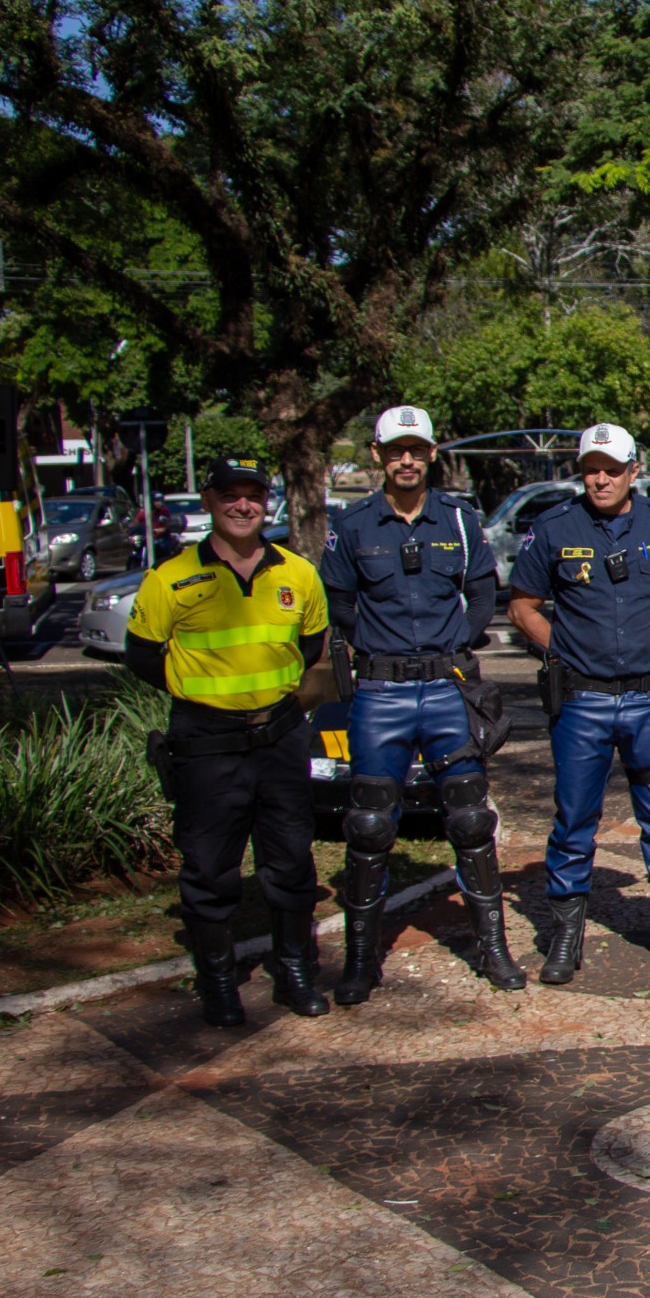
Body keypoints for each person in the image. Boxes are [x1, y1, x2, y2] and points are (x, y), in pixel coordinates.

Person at [320, 405, 518, 1004]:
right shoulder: (354, 524)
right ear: (378, 456)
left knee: (470, 818)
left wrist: (457, 644)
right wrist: (376, 647)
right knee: (369, 825)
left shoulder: (458, 519)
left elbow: (481, 591)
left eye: (417, 450)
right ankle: (361, 961)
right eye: (395, 451)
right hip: (381, 692)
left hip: (446, 690)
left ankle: (493, 948)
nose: (406, 460)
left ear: (432, 454)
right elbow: (339, 600)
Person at [125, 456, 332, 1026]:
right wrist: (203, 692)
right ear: (209, 502)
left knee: (291, 859)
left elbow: (311, 646)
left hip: (280, 737)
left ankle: (295, 972)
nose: (243, 506)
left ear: (266, 502)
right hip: (207, 743)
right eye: (229, 495)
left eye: (253, 495)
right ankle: (218, 982)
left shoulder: (298, 573)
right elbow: (141, 655)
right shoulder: (170, 579)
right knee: (209, 865)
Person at [508, 423, 650, 984]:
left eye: (612, 469)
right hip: (583, 702)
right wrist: (566, 650)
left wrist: (649, 642)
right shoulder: (554, 526)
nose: (601, 479)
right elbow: (522, 608)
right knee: (574, 819)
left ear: (632, 471)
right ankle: (564, 938)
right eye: (591, 469)